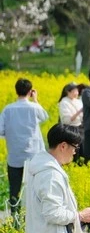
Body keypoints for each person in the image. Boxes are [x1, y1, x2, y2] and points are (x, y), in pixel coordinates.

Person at [0, 78, 49, 218]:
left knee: (14, 188)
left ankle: (14, 216)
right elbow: (44, 117)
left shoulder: (8, 109)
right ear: (30, 91)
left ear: (16, 91)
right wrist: (36, 99)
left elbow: (1, 130)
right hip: (33, 155)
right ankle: (30, 218)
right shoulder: (34, 108)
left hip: (14, 156)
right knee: (32, 188)